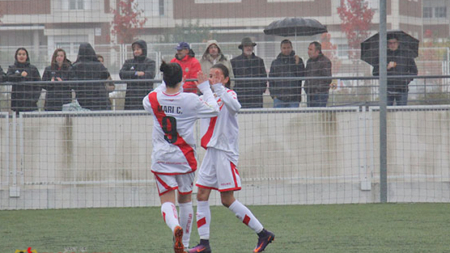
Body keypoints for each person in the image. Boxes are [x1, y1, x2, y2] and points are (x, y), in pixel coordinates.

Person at [188, 63, 275, 253]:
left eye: (217, 75)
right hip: (211, 152)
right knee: (202, 195)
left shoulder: (229, 95)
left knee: (227, 200)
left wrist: (219, 89)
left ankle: (263, 233)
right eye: (210, 76)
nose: (213, 79)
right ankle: (204, 243)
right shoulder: (205, 97)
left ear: (226, 79)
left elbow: (235, 108)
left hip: (224, 153)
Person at [142, 62, 220, 253]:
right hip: (185, 158)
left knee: (167, 201)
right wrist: (204, 88)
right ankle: (184, 245)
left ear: (164, 79)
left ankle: (174, 226)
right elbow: (214, 109)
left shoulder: (152, 98)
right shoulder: (190, 99)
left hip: (162, 158)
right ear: (182, 79)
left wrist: (164, 84)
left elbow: (157, 94)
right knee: (185, 199)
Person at [372, 35, 418, 106]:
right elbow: (375, 73)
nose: (392, 45)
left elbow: (414, 71)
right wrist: (386, 67)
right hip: (386, 89)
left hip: (402, 88)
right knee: (385, 112)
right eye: (390, 43)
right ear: (387, 44)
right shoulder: (382, 55)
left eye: (394, 43)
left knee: (402, 112)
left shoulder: (406, 55)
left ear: (398, 43)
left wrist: (407, 80)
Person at [69, 43, 111, 110]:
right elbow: (106, 75)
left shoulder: (75, 66)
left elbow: (72, 82)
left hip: (83, 98)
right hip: (99, 97)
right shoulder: (98, 65)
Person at [231, 37, 267, 108]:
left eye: (250, 46)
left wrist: (261, 90)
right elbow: (232, 77)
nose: (248, 48)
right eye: (246, 46)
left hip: (256, 96)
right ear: (242, 48)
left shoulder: (259, 61)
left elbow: (263, 76)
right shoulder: (235, 62)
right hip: (241, 95)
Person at [119, 40, 156, 109]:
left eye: (138, 49)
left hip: (145, 96)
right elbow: (122, 74)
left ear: (143, 49)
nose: (136, 51)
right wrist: (136, 73)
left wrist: (131, 77)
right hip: (131, 98)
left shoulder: (150, 62)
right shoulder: (128, 62)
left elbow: (149, 75)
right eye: (134, 49)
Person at [269, 39, 305, 108]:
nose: (286, 50)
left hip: (294, 98)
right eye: (284, 48)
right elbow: (271, 80)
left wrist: (297, 65)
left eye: (288, 47)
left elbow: (302, 76)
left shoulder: (298, 60)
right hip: (279, 98)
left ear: (291, 48)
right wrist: (273, 95)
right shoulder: (275, 62)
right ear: (281, 49)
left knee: (293, 118)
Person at [5, 47, 42, 113]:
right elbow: (8, 77)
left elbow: (39, 85)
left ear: (27, 56)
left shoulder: (33, 68)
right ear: (16, 56)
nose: (21, 56)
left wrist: (34, 99)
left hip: (30, 103)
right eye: (19, 54)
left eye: (23, 54)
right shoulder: (12, 68)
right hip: (17, 103)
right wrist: (19, 76)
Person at [304, 41, 332, 107]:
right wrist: (306, 88)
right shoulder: (309, 61)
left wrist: (317, 89)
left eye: (311, 49)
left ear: (317, 51)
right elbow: (306, 75)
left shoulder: (325, 61)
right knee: (311, 115)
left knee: (319, 115)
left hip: (320, 94)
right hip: (310, 93)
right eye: (308, 49)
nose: (308, 51)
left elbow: (328, 79)